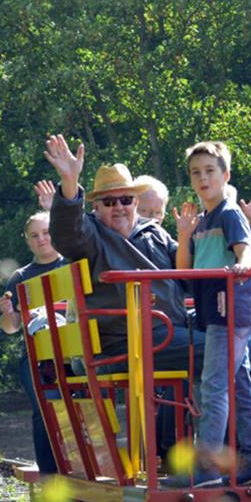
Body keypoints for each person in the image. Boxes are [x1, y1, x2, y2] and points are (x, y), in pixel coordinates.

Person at [43, 136, 198, 371]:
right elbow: (66, 234)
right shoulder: (90, 235)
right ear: (95, 207)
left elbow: (189, 275)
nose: (118, 207)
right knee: (224, 350)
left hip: (170, 329)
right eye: (109, 202)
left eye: (125, 200)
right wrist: (69, 181)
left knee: (236, 330)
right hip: (126, 341)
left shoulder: (155, 234)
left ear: (136, 203)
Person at [171, 141, 251, 486]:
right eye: (196, 173)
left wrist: (242, 266)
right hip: (213, 311)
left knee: (212, 387)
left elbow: (246, 249)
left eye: (210, 171)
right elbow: (184, 270)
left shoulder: (228, 212)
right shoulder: (204, 219)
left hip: (230, 310)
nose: (202, 178)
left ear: (225, 175)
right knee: (236, 386)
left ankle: (206, 468)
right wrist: (183, 236)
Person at [0, 202, 65, 474]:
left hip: (75, 354)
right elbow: (11, 327)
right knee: (43, 410)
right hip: (37, 358)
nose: (42, 239)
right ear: (27, 241)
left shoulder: (73, 264)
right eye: (35, 236)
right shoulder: (20, 277)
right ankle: (50, 473)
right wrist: (7, 313)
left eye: (46, 232)